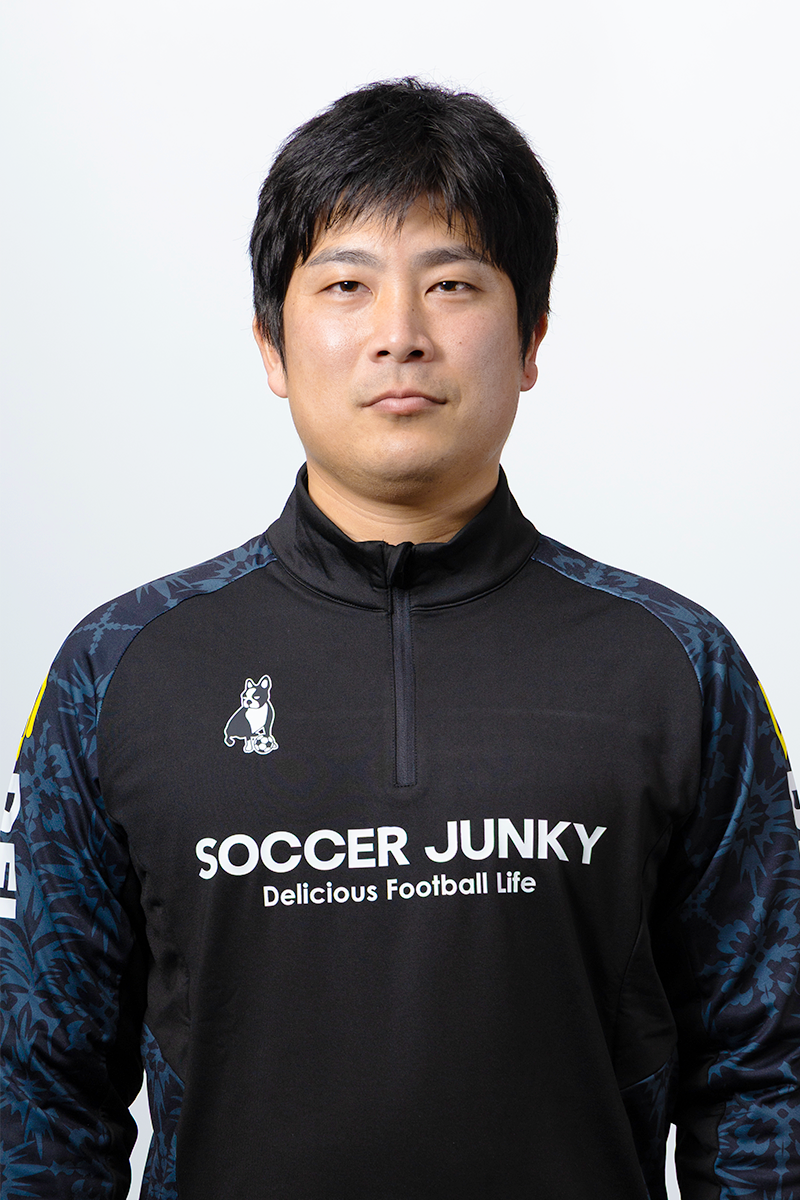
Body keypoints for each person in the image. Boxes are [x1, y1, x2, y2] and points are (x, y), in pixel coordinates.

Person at [1, 77, 798, 1200]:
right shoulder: (119, 669)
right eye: (346, 285)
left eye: (452, 284)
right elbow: (35, 1088)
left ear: (530, 338)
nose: (400, 337)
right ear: (271, 346)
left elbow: (768, 1071)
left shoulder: (677, 666)